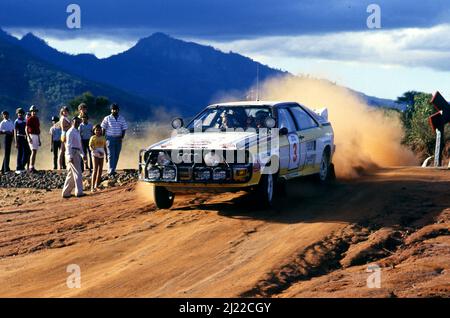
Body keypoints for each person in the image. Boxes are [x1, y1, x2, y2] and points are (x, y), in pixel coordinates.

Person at [62, 117, 87, 198]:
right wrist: (70, 156)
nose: (77, 123)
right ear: (72, 122)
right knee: (77, 172)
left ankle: (66, 193)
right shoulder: (70, 132)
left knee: (71, 174)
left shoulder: (77, 132)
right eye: (76, 122)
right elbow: (68, 145)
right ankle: (79, 192)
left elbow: (79, 145)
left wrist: (83, 154)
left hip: (76, 152)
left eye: (78, 122)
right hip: (72, 152)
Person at [101, 103, 127, 176]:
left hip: (118, 138)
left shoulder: (121, 118)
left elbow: (124, 128)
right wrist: (103, 138)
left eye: (116, 109)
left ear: (118, 110)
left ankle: (113, 169)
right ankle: (110, 170)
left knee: (116, 154)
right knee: (110, 154)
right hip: (109, 138)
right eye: (113, 109)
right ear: (111, 110)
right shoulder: (107, 118)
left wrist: (122, 137)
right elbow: (103, 128)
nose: (115, 111)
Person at [89, 124, 108, 192]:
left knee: (100, 170)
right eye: (96, 130)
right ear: (94, 131)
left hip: (102, 154)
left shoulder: (103, 137)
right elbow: (90, 146)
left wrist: (106, 156)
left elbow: (105, 147)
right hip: (95, 154)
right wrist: (96, 151)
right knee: (95, 169)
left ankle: (96, 186)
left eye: (99, 130)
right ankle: (92, 187)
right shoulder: (93, 138)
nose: (98, 131)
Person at [25, 105, 41, 173]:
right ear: (31, 112)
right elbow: (26, 128)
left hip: (36, 135)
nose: (34, 112)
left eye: (35, 111)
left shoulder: (37, 119)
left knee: (35, 152)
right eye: (33, 111)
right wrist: (28, 137)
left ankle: (32, 166)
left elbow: (38, 129)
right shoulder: (30, 119)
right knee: (33, 151)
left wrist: (39, 139)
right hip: (31, 135)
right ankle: (31, 167)